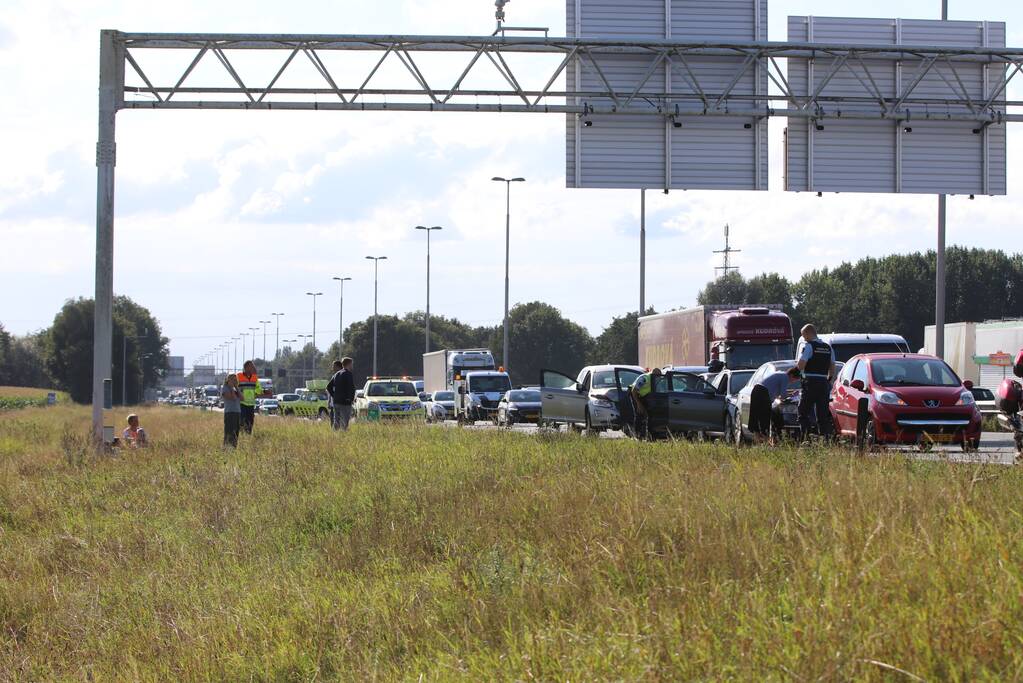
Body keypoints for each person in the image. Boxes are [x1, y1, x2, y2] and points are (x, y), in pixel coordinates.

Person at [795, 323, 836, 442]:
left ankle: (805, 439)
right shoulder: (828, 347)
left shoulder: (809, 346)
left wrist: (798, 371)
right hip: (823, 383)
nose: (804, 338)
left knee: (803, 413)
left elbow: (801, 364)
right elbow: (832, 368)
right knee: (822, 414)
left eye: (804, 336)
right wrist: (827, 380)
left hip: (810, 382)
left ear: (808, 333)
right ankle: (824, 440)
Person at [749, 367, 801, 444]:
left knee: (756, 416)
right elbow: (782, 395)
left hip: (757, 391)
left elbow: (778, 394)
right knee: (765, 417)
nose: (792, 382)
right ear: (792, 375)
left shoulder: (781, 374)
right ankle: (766, 441)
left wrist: (790, 394)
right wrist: (792, 395)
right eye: (794, 380)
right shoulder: (785, 377)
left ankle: (759, 440)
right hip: (763, 394)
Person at [629, 367, 662, 438]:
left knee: (648, 415)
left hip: (643, 395)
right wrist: (639, 404)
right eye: (658, 376)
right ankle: (636, 436)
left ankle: (646, 435)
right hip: (635, 395)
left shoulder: (656, 378)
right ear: (653, 375)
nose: (659, 378)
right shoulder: (644, 379)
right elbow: (634, 391)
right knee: (639, 413)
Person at [326, 357, 357, 431]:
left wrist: (334, 396)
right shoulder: (348, 374)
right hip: (345, 402)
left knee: (336, 422)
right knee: (344, 422)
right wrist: (351, 399)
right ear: (349, 364)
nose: (352, 366)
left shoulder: (336, 374)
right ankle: (343, 436)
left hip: (336, 402)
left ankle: (335, 436)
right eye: (351, 364)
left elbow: (328, 387)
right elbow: (351, 388)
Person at [236, 360, 262, 435]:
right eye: (252, 366)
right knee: (242, 422)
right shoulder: (239, 376)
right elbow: (235, 387)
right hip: (242, 403)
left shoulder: (254, 377)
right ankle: (241, 436)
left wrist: (257, 393)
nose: (254, 368)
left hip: (251, 404)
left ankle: (248, 436)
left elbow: (259, 388)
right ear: (246, 367)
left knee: (250, 422)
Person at [222, 374, 242, 448]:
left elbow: (242, 398)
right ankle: (227, 447)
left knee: (236, 432)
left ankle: (234, 447)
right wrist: (231, 387)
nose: (234, 381)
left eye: (235, 379)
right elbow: (233, 398)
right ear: (228, 380)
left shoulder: (235, 388)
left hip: (237, 412)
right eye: (232, 379)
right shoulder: (225, 388)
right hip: (230, 413)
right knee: (229, 432)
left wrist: (236, 387)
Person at [325, 359, 343, 426]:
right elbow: (329, 389)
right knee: (332, 421)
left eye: (333, 366)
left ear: (338, 367)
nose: (332, 368)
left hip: (340, 403)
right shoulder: (334, 376)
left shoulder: (342, 376)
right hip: (333, 404)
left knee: (339, 421)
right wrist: (329, 401)